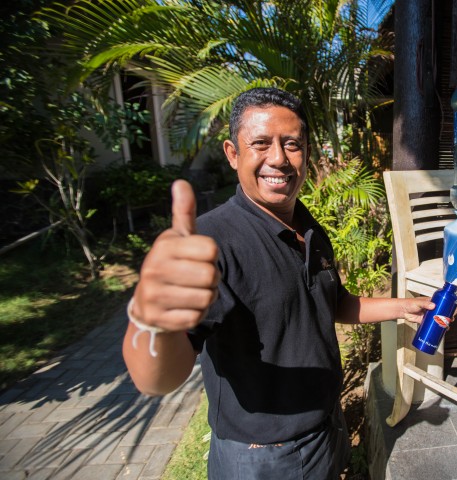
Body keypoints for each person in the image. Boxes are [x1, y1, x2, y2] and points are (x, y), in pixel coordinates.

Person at [122, 87, 434, 480]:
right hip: (263, 458)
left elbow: (333, 303)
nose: (278, 159)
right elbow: (157, 378)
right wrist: (153, 324)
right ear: (233, 154)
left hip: (324, 428)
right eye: (260, 143)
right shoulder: (212, 242)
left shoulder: (307, 225)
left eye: (292, 144)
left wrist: (404, 307)